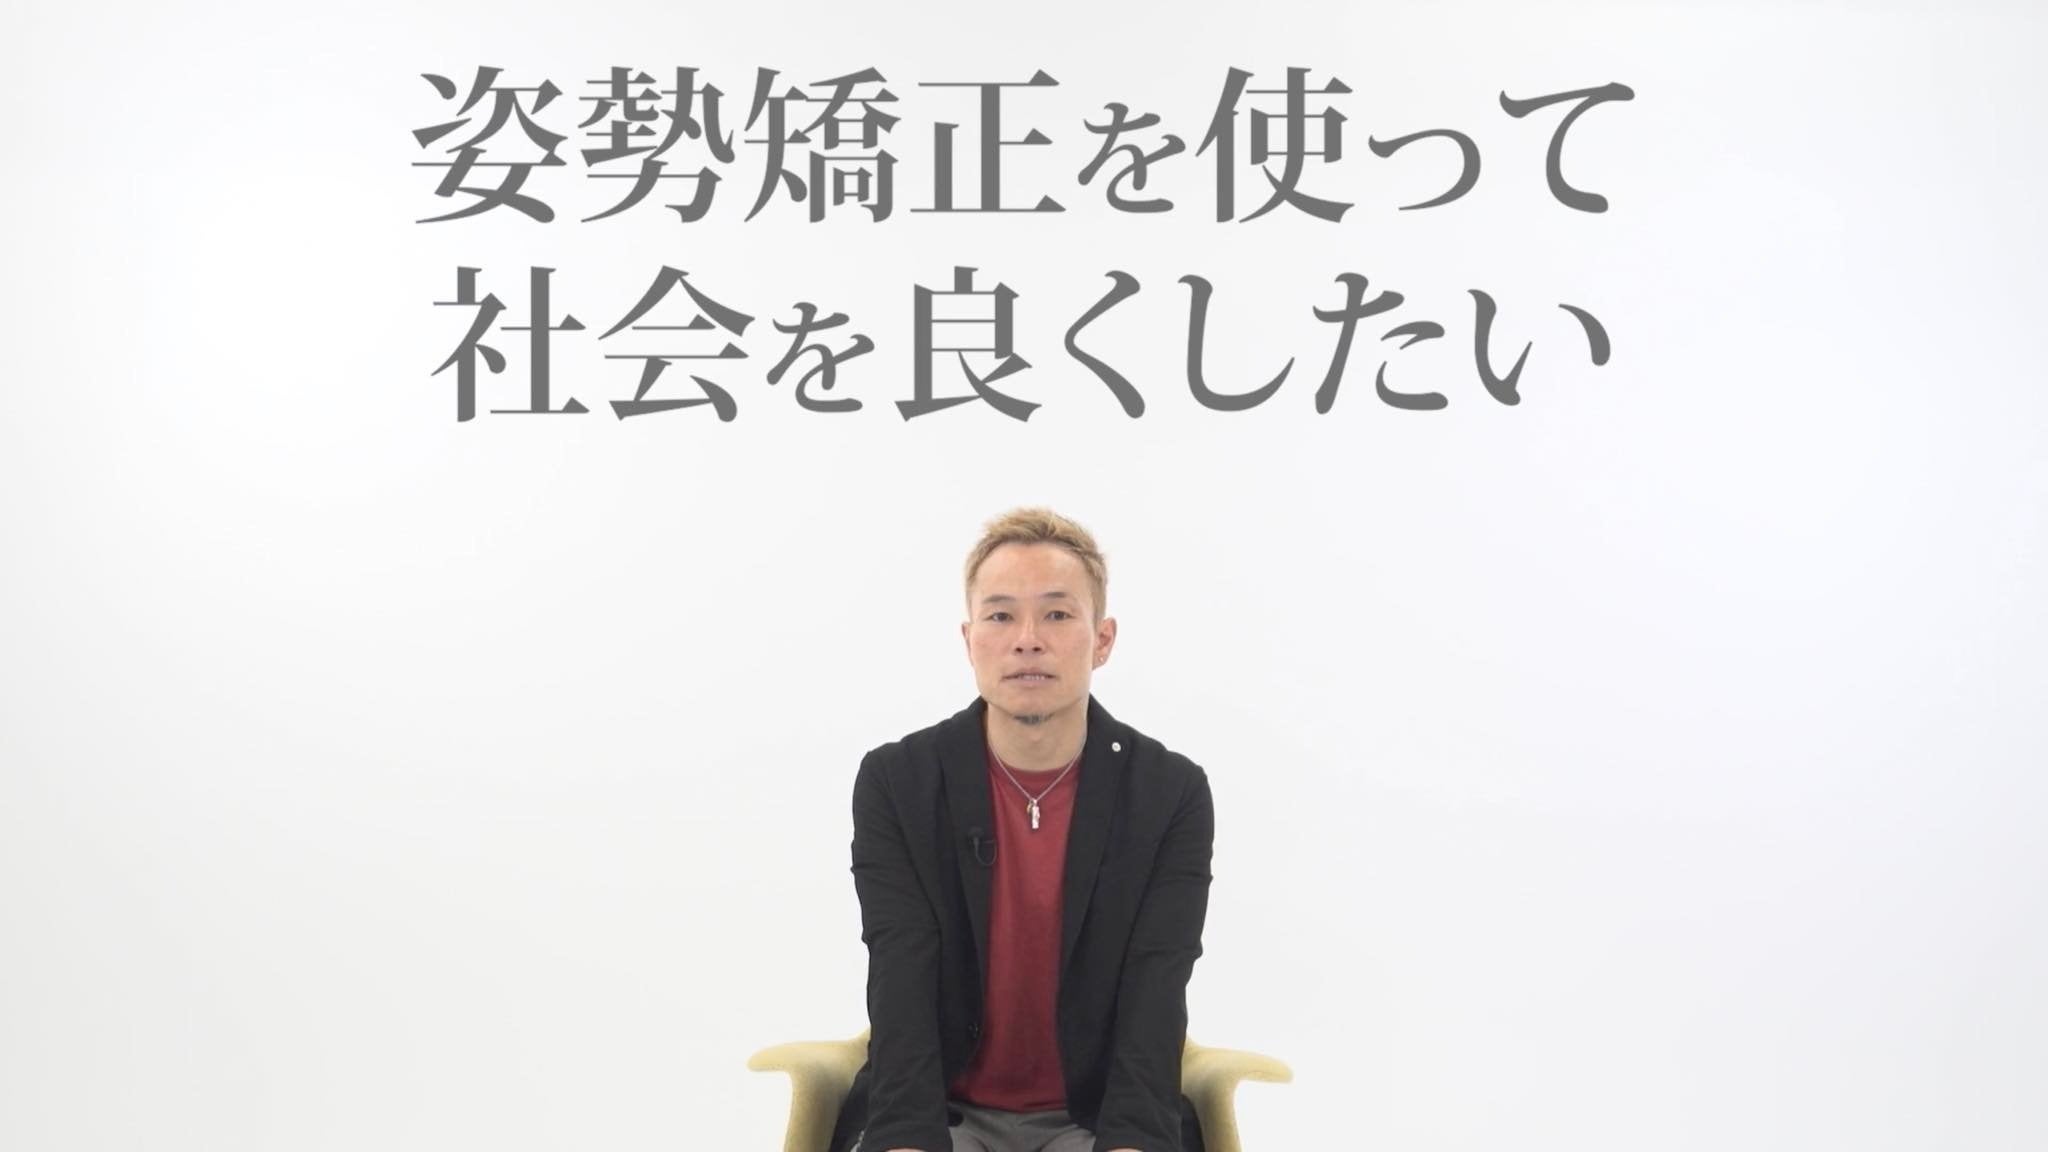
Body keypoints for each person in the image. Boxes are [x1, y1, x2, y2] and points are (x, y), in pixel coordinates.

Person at [831, 508, 1215, 1152]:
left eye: (1058, 614)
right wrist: (906, 1139)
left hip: (1095, 1119)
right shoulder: (898, 782)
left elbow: (1157, 985)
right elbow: (900, 973)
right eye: (1001, 616)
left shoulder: (1168, 792)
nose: (1027, 640)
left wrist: (1131, 1142)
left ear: (1103, 639)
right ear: (969, 638)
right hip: (943, 1114)